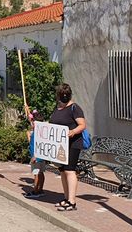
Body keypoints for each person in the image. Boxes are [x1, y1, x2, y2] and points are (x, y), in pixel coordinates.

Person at [49, 83, 86, 211]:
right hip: (61, 145)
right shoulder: (58, 108)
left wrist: (73, 132)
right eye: (61, 94)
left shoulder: (75, 108)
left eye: (65, 94)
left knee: (70, 170)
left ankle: (72, 201)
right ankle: (66, 198)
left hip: (73, 144)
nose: (63, 97)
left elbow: (82, 125)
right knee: (63, 171)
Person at [24, 109, 45, 199]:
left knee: (36, 174)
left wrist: (34, 156)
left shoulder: (36, 133)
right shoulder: (41, 131)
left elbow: (38, 145)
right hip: (42, 157)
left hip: (36, 157)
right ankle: (40, 189)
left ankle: (35, 191)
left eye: (32, 122)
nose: (31, 124)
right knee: (41, 173)